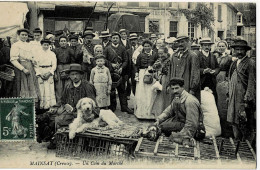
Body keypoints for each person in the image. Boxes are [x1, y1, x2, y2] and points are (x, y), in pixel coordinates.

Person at [47, 64, 98, 149]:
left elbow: (94, 105)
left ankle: (61, 141)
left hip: (82, 115)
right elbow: (62, 100)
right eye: (72, 74)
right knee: (50, 116)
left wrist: (94, 115)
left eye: (77, 74)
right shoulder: (68, 85)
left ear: (81, 75)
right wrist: (55, 107)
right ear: (69, 76)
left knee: (59, 120)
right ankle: (57, 139)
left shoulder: (87, 86)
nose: (75, 77)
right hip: (70, 112)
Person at [227, 39, 256, 141]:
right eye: (237, 49)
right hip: (233, 96)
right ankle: (237, 141)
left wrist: (247, 99)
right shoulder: (234, 63)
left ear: (246, 51)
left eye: (241, 50)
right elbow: (230, 79)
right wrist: (228, 94)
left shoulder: (250, 63)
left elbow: (252, 82)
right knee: (234, 120)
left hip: (243, 98)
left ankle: (247, 144)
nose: (239, 52)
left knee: (245, 121)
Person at [104, 32, 133, 114]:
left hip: (121, 73)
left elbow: (126, 60)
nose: (115, 39)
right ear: (111, 39)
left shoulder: (123, 48)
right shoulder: (107, 49)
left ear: (119, 39)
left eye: (117, 38)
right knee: (112, 90)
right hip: (111, 72)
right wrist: (111, 65)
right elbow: (104, 59)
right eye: (113, 38)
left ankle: (124, 107)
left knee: (122, 89)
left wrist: (121, 68)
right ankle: (112, 107)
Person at [10, 28, 40, 102]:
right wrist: (23, 69)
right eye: (22, 35)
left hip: (30, 66)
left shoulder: (29, 45)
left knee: (32, 84)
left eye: (26, 35)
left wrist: (33, 60)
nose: (24, 36)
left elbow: (32, 56)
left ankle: (32, 105)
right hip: (21, 68)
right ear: (19, 35)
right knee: (22, 86)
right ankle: (23, 103)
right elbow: (13, 60)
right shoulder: (16, 45)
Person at [169, 34, 200, 101]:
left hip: (187, 87)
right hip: (175, 88)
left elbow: (195, 74)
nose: (180, 44)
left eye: (182, 42)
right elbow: (170, 71)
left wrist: (192, 89)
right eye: (179, 42)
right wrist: (169, 85)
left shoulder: (192, 56)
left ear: (187, 42)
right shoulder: (174, 56)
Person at [134, 39, 158, 119]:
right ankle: (142, 113)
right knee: (142, 93)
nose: (146, 47)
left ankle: (151, 113)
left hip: (151, 74)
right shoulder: (140, 55)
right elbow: (136, 66)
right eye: (145, 46)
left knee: (151, 93)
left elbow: (158, 64)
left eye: (148, 46)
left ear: (151, 46)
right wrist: (137, 75)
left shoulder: (155, 54)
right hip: (142, 74)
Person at [34, 39, 57, 111]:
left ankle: (49, 105)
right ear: (41, 45)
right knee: (41, 89)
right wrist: (39, 74)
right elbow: (35, 65)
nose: (46, 46)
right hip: (41, 70)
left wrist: (50, 73)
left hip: (49, 70)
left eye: (47, 45)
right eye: (44, 45)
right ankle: (42, 106)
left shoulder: (52, 54)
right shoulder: (37, 53)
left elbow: (54, 65)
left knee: (49, 88)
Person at [53, 36, 74, 106]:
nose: (63, 42)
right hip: (59, 67)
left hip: (68, 67)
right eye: (61, 41)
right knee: (59, 87)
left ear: (67, 42)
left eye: (64, 41)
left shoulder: (70, 50)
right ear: (59, 42)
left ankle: (68, 102)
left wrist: (69, 72)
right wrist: (55, 73)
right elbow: (54, 62)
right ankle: (59, 102)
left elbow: (72, 61)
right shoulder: (55, 50)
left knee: (68, 86)